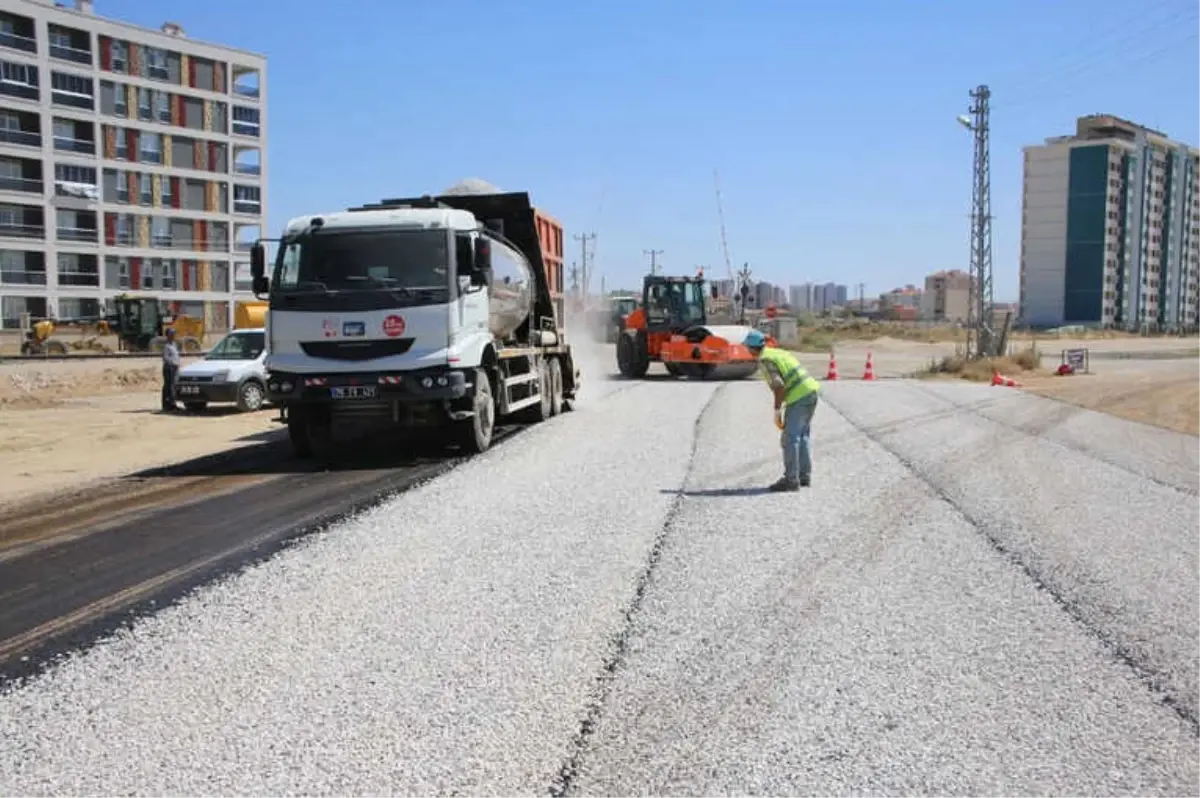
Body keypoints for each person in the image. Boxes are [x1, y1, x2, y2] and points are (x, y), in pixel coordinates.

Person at [743, 329, 821, 491]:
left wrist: (777, 410)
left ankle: (791, 480)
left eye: (747, 347)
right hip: (811, 391)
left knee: (790, 438)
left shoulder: (765, 360)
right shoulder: (776, 352)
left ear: (751, 348)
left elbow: (779, 386)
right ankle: (803, 476)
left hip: (799, 397)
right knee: (802, 435)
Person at [161, 327, 181, 412]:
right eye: (171, 334)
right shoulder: (167, 346)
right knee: (169, 386)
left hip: (175, 368)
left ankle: (173, 403)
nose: (173, 336)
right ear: (167, 336)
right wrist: (173, 364)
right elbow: (165, 358)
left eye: (174, 334)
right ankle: (168, 405)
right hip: (169, 368)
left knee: (173, 386)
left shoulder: (174, 345)